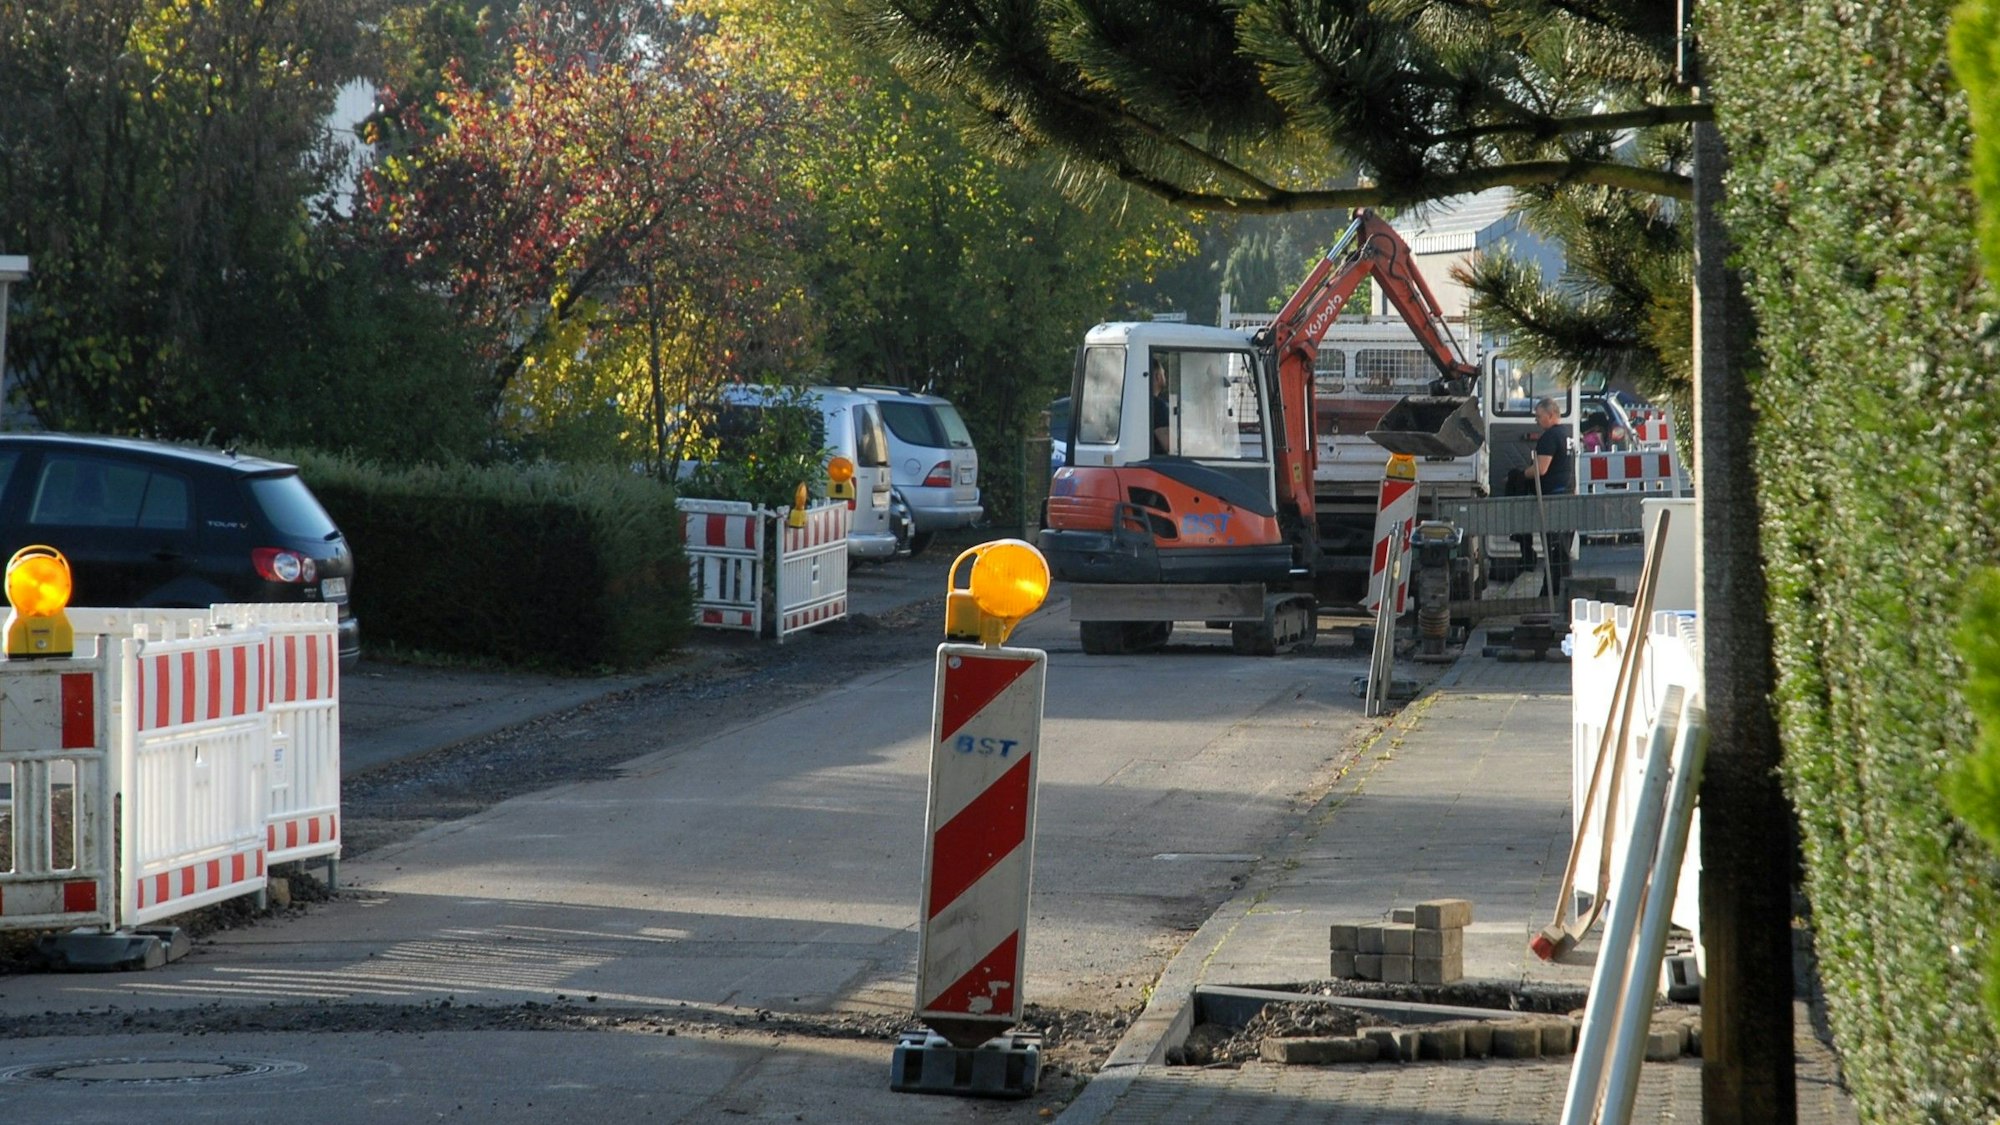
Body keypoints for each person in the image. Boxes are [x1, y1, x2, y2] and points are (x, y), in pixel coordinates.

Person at [1504, 395, 1575, 594]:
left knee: (1553, 550)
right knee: (1562, 552)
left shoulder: (1550, 437)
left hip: (1553, 499)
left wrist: (1517, 475)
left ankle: (1553, 594)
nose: (1536, 420)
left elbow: (1541, 469)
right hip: (1567, 497)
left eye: (1539, 416)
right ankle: (1560, 592)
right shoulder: (1567, 434)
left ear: (1551, 415)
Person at [1149, 356, 1171, 454]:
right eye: (1163, 373)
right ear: (1158, 376)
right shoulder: (1158, 406)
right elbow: (1168, 444)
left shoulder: (1145, 402)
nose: (1165, 376)